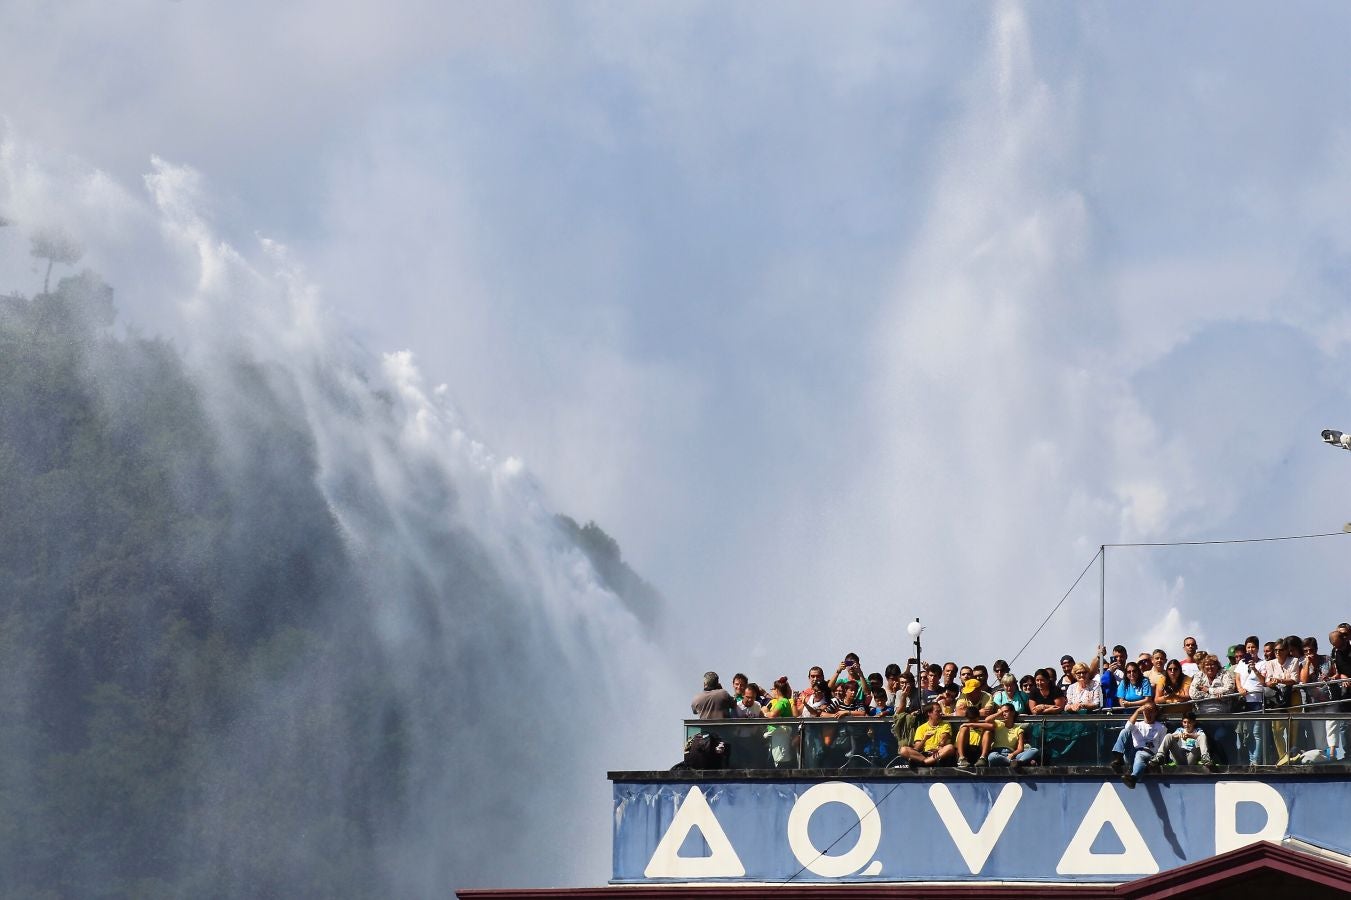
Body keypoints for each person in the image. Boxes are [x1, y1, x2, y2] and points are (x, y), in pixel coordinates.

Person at [1110, 701, 1166, 789]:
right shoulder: (1138, 724)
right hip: (1132, 753)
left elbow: (1162, 746)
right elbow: (1128, 727)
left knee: (1140, 754)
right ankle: (1119, 757)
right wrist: (1137, 711)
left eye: (1151, 711)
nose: (1148, 713)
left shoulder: (1161, 727)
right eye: (1146, 711)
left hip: (1149, 754)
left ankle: (1133, 778)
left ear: (1156, 712)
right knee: (1124, 731)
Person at [896, 702, 956, 767]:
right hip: (925, 754)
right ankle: (928, 760)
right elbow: (917, 748)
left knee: (950, 747)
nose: (940, 713)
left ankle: (926, 762)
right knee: (903, 750)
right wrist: (925, 739)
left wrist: (940, 747)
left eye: (940, 711)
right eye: (937, 711)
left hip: (939, 753)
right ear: (929, 713)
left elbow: (944, 739)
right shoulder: (921, 728)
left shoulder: (946, 724)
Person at [985, 704, 1039, 771]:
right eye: (1002, 712)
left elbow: (1020, 748)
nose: (1004, 714)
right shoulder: (998, 724)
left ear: (1013, 712)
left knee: (1034, 750)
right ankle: (1013, 763)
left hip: (1012, 754)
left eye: (1006, 711)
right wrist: (999, 713)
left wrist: (1012, 754)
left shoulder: (1018, 729)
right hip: (998, 753)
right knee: (992, 756)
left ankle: (1018, 762)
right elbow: (987, 720)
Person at [763, 678, 796, 769]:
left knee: (779, 760)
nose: (772, 691)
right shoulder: (780, 701)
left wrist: (765, 712)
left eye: (773, 689)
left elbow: (773, 715)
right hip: (775, 736)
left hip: (780, 736)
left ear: (777, 690)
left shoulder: (783, 701)